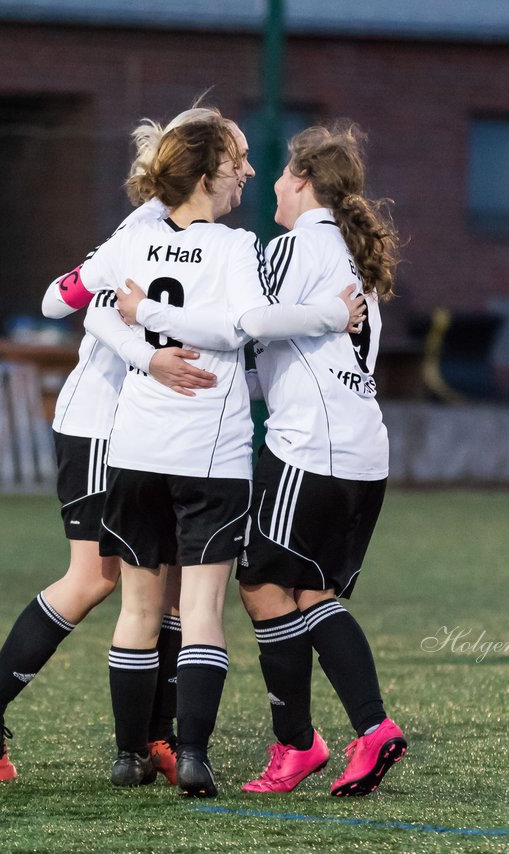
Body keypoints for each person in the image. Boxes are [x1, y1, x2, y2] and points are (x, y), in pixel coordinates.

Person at [0, 106, 241, 785]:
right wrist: (145, 353)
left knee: (168, 590)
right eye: (236, 156)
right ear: (196, 165)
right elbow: (71, 301)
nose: (246, 169)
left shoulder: (211, 239)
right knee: (96, 579)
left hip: (161, 433)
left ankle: (156, 739)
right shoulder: (144, 228)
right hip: (102, 424)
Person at [85, 115, 366, 797]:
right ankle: (192, 757)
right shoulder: (236, 245)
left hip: (135, 445)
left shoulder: (136, 235)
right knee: (204, 611)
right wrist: (332, 315)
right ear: (208, 175)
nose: (246, 172)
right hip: (208, 454)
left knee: (138, 609)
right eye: (236, 162)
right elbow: (242, 325)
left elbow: (89, 305)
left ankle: (129, 756)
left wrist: (146, 351)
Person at [234, 123, 407, 796]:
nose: (274, 183)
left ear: (302, 182)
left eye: (280, 172)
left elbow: (247, 321)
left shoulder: (294, 247)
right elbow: (289, 359)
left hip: (309, 448)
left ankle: (298, 744)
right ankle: (370, 730)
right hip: (365, 452)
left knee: (258, 582)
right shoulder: (355, 262)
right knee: (311, 592)